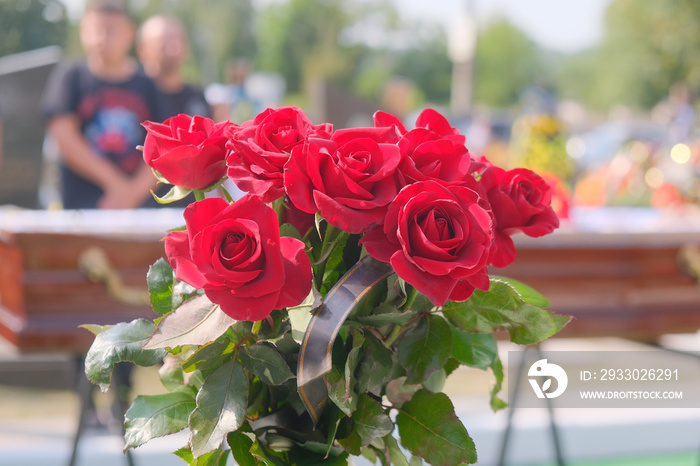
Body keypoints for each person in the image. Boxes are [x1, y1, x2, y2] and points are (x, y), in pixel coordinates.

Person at [41, 0, 159, 209]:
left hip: (139, 213)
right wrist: (115, 183)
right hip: (81, 210)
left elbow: (164, 146)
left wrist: (131, 195)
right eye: (96, 29)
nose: (102, 38)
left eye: (111, 30)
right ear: (83, 31)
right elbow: (63, 137)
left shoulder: (149, 85)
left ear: (129, 33)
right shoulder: (71, 77)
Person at [137, 15, 211, 121]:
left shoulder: (196, 97)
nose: (174, 48)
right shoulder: (133, 99)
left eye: (179, 40)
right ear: (142, 50)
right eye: (163, 42)